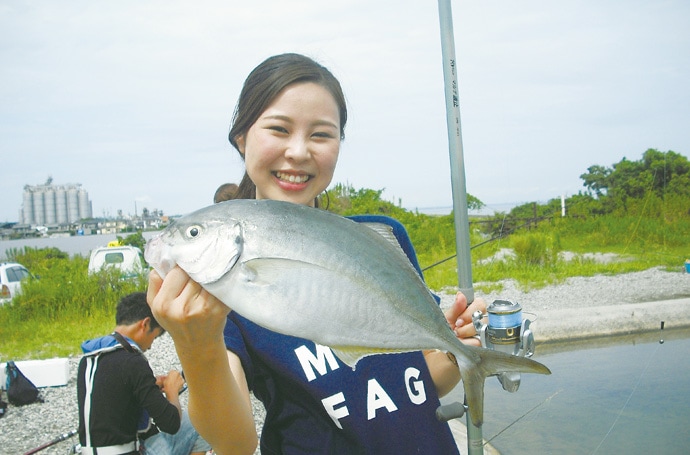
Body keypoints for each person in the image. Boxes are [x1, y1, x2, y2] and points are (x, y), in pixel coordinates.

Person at [147, 53, 486, 455]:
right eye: (278, 128)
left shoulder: (380, 237)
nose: (298, 151)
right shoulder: (217, 294)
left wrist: (457, 350)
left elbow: (418, 383)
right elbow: (235, 443)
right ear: (241, 138)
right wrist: (196, 345)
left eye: (321, 135)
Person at [77, 292, 211, 455]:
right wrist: (172, 390)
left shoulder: (90, 358)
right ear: (145, 325)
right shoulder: (132, 361)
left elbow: (111, 398)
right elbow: (171, 424)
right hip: (127, 451)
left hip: (91, 450)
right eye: (154, 338)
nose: (150, 347)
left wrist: (150, 384)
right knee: (201, 423)